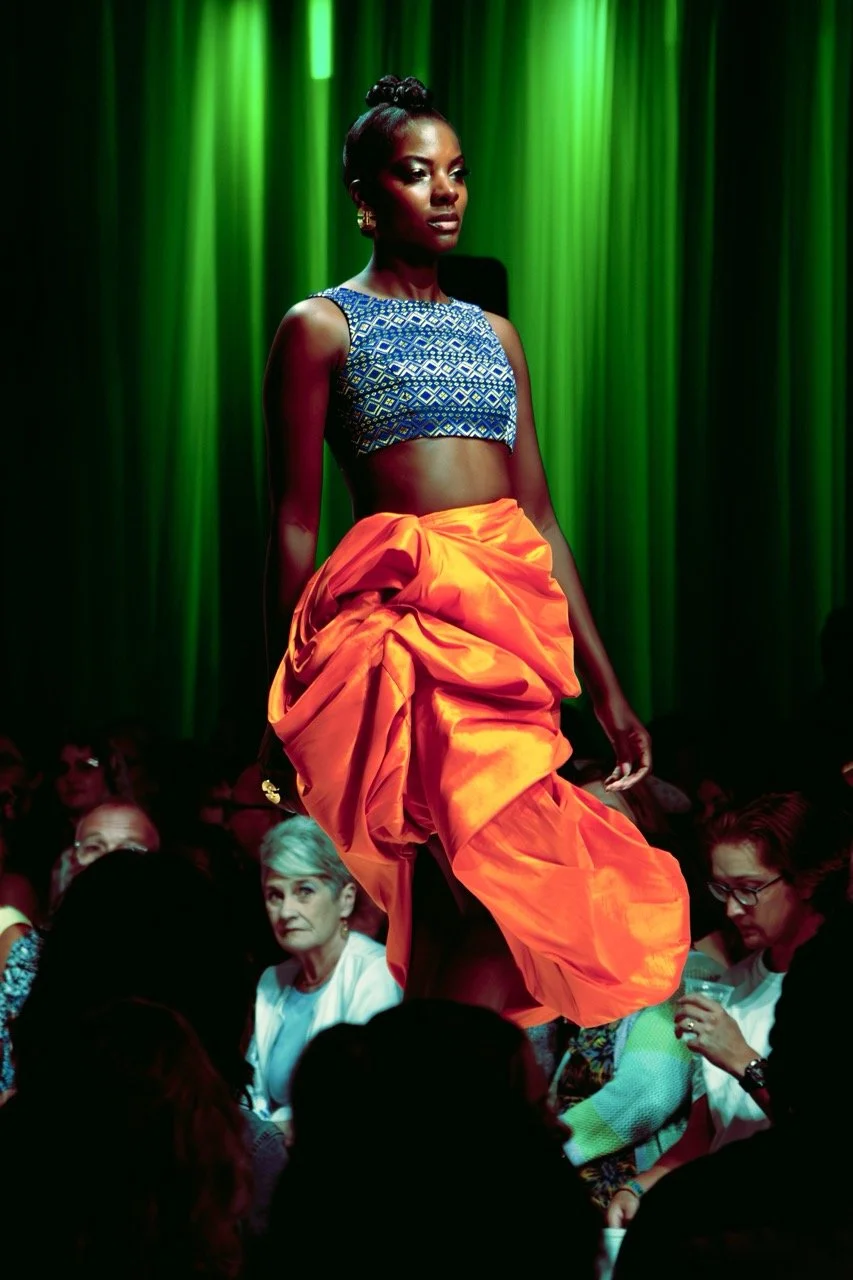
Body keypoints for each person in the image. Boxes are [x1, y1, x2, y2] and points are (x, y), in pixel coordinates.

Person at [260, 73, 689, 1029]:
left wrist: (610, 692)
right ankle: (441, 1102)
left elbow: (537, 515)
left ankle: (443, 1097)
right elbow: (293, 521)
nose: (446, 192)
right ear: (367, 200)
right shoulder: (319, 326)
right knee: (453, 884)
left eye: (456, 173)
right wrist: (278, 695)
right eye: (417, 174)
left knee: (509, 896)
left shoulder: (494, 333)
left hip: (504, 629)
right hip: (402, 630)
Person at [606, 791, 850, 1228]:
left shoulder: (830, 991)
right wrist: (640, 1186)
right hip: (725, 1228)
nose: (733, 909)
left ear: (807, 880)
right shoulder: (730, 986)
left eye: (750, 889)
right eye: (723, 888)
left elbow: (827, 1140)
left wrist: (742, 1059)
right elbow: (707, 1133)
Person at [246, 815, 402, 1128]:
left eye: (304, 890)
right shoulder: (272, 982)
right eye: (275, 895)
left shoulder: (373, 973)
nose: (287, 911)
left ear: (345, 900)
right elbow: (252, 1094)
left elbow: (358, 1101)